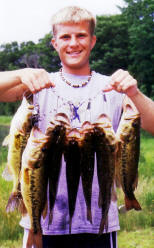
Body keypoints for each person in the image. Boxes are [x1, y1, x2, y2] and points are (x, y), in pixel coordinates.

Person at [1, 6, 154, 248]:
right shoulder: (38, 85)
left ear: (93, 41)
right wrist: (21, 73)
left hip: (99, 223)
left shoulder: (114, 88)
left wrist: (134, 93)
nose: (73, 43)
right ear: (54, 43)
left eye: (81, 35)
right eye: (65, 36)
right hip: (40, 220)